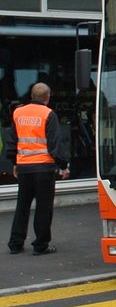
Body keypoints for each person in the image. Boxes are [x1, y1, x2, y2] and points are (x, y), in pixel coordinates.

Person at [5, 83, 70, 256]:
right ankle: (40, 245)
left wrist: (15, 163)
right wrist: (63, 166)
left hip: (24, 167)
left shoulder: (18, 113)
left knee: (22, 206)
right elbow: (55, 145)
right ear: (47, 97)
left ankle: (15, 243)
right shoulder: (49, 114)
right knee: (43, 207)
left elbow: (12, 142)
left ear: (32, 95)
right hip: (43, 168)